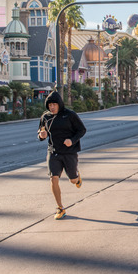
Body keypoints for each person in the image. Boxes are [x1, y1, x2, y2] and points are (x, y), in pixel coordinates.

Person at [38, 91, 86, 220]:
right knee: (53, 178)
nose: (52, 107)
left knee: (73, 180)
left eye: (54, 104)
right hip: (53, 152)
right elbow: (41, 130)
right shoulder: (45, 117)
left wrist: (72, 140)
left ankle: (77, 176)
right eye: (49, 105)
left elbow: (82, 130)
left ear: (59, 104)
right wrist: (41, 135)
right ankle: (60, 208)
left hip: (69, 153)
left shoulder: (70, 115)